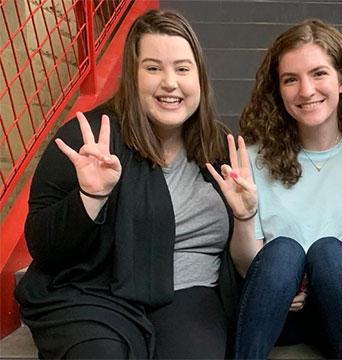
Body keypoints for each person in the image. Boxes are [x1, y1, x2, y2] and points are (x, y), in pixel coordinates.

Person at [15, 10, 251, 359]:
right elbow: (43, 246)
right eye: (153, 68)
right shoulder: (90, 139)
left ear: (199, 77)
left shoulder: (218, 146)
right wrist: (91, 197)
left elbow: (243, 256)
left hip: (189, 291)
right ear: (132, 76)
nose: (170, 82)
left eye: (183, 69)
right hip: (93, 292)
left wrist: (246, 216)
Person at [222, 19, 342, 359]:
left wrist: (310, 277)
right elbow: (250, 265)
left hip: (335, 305)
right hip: (274, 306)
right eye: (291, 79)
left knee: (328, 252)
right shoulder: (251, 158)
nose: (306, 91)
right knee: (283, 253)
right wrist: (245, 215)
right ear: (278, 90)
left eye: (319, 73)